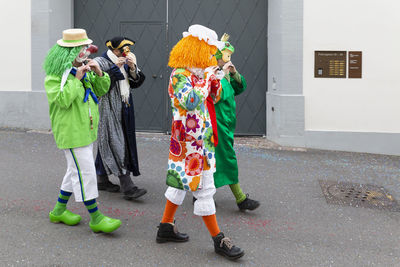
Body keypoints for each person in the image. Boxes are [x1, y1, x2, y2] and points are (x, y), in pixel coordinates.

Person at [156, 24, 244, 260]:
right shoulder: (180, 75)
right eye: (208, 52)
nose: (211, 56)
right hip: (188, 144)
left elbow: (214, 97)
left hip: (202, 142)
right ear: (195, 50)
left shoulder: (198, 74)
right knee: (205, 190)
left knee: (178, 184)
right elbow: (191, 100)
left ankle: (165, 227)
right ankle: (219, 240)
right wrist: (206, 77)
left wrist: (217, 78)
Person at [44, 28, 121, 233]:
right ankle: (96, 218)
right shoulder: (55, 77)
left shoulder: (84, 69)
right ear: (70, 52)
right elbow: (62, 100)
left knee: (74, 170)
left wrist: (98, 72)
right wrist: (77, 79)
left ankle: (59, 210)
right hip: (71, 133)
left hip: (86, 131)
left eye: (86, 48)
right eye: (82, 49)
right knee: (85, 172)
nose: (86, 53)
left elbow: (101, 89)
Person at [94, 37, 147, 200]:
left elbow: (136, 83)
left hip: (125, 106)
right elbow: (100, 86)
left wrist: (132, 68)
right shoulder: (100, 62)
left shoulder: (128, 60)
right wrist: (116, 68)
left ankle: (101, 178)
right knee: (116, 142)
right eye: (123, 49)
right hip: (107, 108)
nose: (126, 52)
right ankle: (127, 186)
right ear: (115, 50)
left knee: (109, 141)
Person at [213, 34, 260, 211]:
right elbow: (217, 95)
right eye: (225, 56)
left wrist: (233, 73)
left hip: (226, 123)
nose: (228, 59)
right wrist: (224, 76)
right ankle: (240, 198)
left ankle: (201, 195)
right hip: (215, 123)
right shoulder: (210, 74)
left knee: (217, 159)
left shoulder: (220, 73)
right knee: (224, 159)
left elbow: (238, 89)